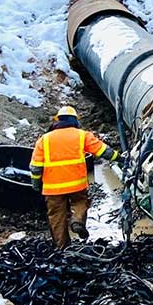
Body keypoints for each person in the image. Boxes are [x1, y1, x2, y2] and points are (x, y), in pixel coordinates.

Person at [30, 105, 122, 248]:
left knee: (56, 217)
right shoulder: (82, 135)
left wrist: (36, 184)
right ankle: (77, 221)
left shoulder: (44, 139)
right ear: (75, 121)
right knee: (80, 202)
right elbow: (103, 151)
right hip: (76, 185)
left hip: (52, 189)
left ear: (57, 120)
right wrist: (119, 158)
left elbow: (36, 167)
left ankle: (62, 247)